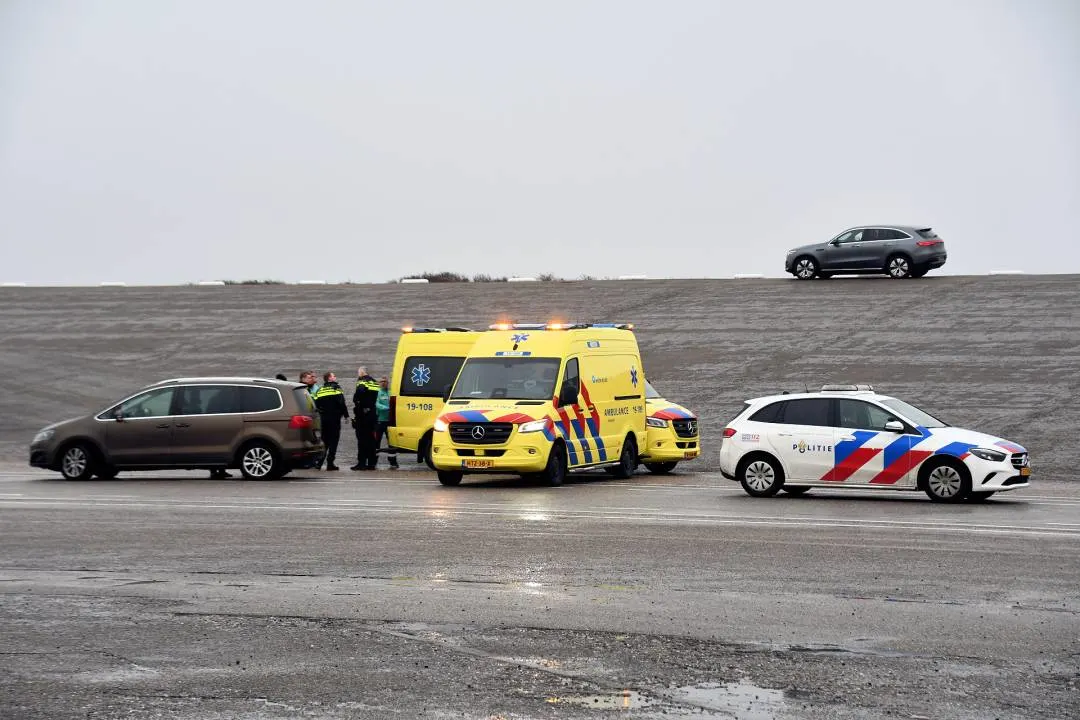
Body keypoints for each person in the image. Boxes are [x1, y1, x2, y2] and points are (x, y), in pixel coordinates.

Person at [313, 371, 349, 471]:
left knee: (324, 441)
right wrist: (346, 415)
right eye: (334, 376)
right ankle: (330, 463)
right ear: (329, 378)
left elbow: (316, 405)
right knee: (334, 440)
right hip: (334, 419)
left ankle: (319, 463)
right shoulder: (336, 388)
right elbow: (342, 403)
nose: (335, 377)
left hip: (324, 419)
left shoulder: (320, 390)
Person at [351, 366, 380, 470]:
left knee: (362, 439)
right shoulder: (375, 382)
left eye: (358, 372)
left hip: (363, 415)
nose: (358, 374)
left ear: (362, 372)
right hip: (372, 414)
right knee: (371, 440)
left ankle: (361, 463)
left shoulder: (362, 381)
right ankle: (371, 463)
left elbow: (359, 393)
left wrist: (356, 400)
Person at [374, 376, 399, 469]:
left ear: (388, 383)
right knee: (376, 442)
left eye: (385, 381)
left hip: (390, 422)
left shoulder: (390, 393)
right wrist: (387, 408)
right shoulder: (378, 393)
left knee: (392, 443)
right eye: (381, 381)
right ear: (379, 383)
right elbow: (376, 404)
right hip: (380, 421)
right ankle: (373, 461)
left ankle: (393, 462)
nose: (383, 383)